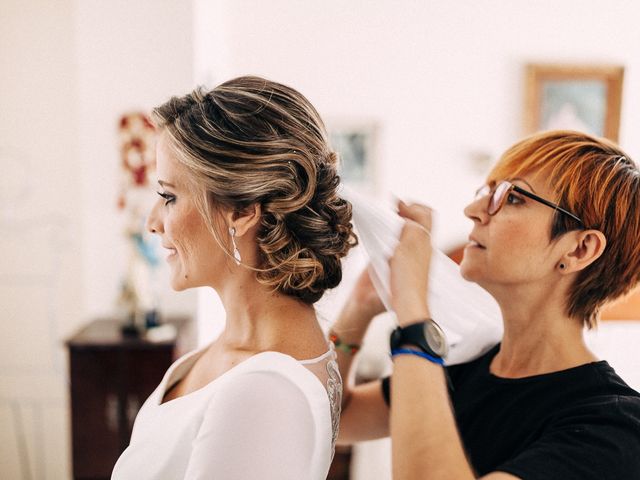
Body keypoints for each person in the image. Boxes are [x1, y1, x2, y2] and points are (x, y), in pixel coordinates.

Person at [334, 130, 640, 479]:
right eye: (488, 192)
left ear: (579, 249)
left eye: (512, 198)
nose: (473, 210)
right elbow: (338, 422)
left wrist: (413, 311)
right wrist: (359, 309)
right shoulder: (470, 367)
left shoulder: (615, 428)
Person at [111, 76, 357, 480]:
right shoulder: (236, 350)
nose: (153, 223)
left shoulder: (264, 394)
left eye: (170, 197)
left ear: (242, 210)